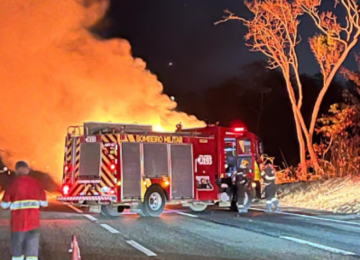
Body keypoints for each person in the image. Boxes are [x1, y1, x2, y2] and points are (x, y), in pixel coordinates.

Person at [1, 161, 48, 260]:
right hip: (33, 224)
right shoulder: (36, 183)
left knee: (17, 254)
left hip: (17, 225)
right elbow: (44, 203)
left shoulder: (13, 185)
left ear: (17, 171)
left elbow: (4, 204)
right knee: (32, 255)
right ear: (28, 170)